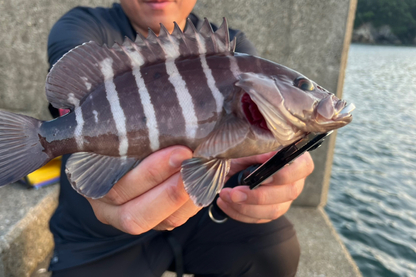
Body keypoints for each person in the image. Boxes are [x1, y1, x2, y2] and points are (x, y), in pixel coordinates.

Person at [47, 1, 314, 276]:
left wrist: (269, 171)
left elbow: (246, 142)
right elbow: (69, 97)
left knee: (275, 251)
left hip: (201, 215)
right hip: (98, 235)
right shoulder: (83, 26)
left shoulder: (234, 46)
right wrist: (60, 130)